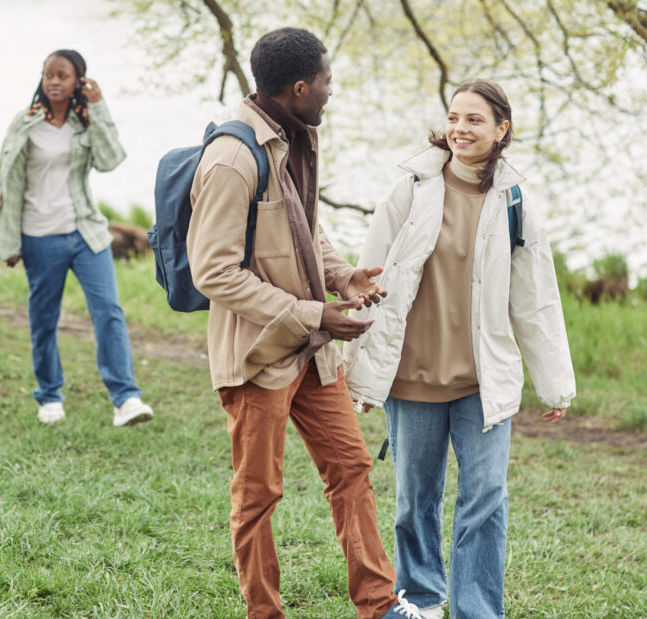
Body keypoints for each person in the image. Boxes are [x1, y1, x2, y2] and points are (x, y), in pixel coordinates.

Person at [188, 27, 424, 619]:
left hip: (312, 348)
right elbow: (212, 272)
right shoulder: (232, 159)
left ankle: (380, 604)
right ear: (299, 86)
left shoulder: (292, 138)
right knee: (259, 493)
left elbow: (302, 230)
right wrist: (311, 313)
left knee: (351, 467)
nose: (331, 91)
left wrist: (343, 277)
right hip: (259, 354)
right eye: (325, 81)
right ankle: (264, 613)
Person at [344, 80, 577, 618]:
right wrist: (358, 371)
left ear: (502, 130)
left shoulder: (515, 201)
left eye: (475, 120)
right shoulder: (411, 188)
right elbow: (368, 279)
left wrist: (554, 382)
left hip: (482, 380)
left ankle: (477, 610)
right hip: (412, 377)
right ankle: (421, 600)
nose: (460, 129)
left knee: (486, 499)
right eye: (454, 118)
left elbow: (536, 299)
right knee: (415, 502)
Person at [0, 50, 153, 428]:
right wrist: (7, 241)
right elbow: (6, 181)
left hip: (87, 233)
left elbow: (110, 159)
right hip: (39, 237)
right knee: (44, 319)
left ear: (79, 82)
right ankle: (49, 396)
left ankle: (126, 399)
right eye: (48, 75)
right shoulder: (24, 124)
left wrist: (99, 107)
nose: (54, 82)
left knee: (108, 311)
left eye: (63, 76)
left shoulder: (84, 123)